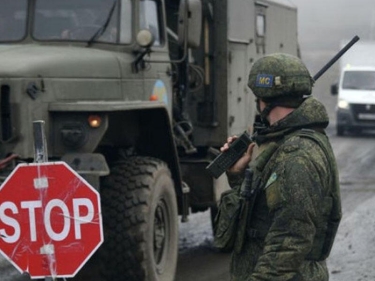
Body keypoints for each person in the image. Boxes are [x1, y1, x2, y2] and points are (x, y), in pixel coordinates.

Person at [220, 53, 342, 281]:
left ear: (263, 100)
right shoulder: (285, 142)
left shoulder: (297, 154)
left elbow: (290, 243)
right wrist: (238, 176)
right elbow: (259, 217)